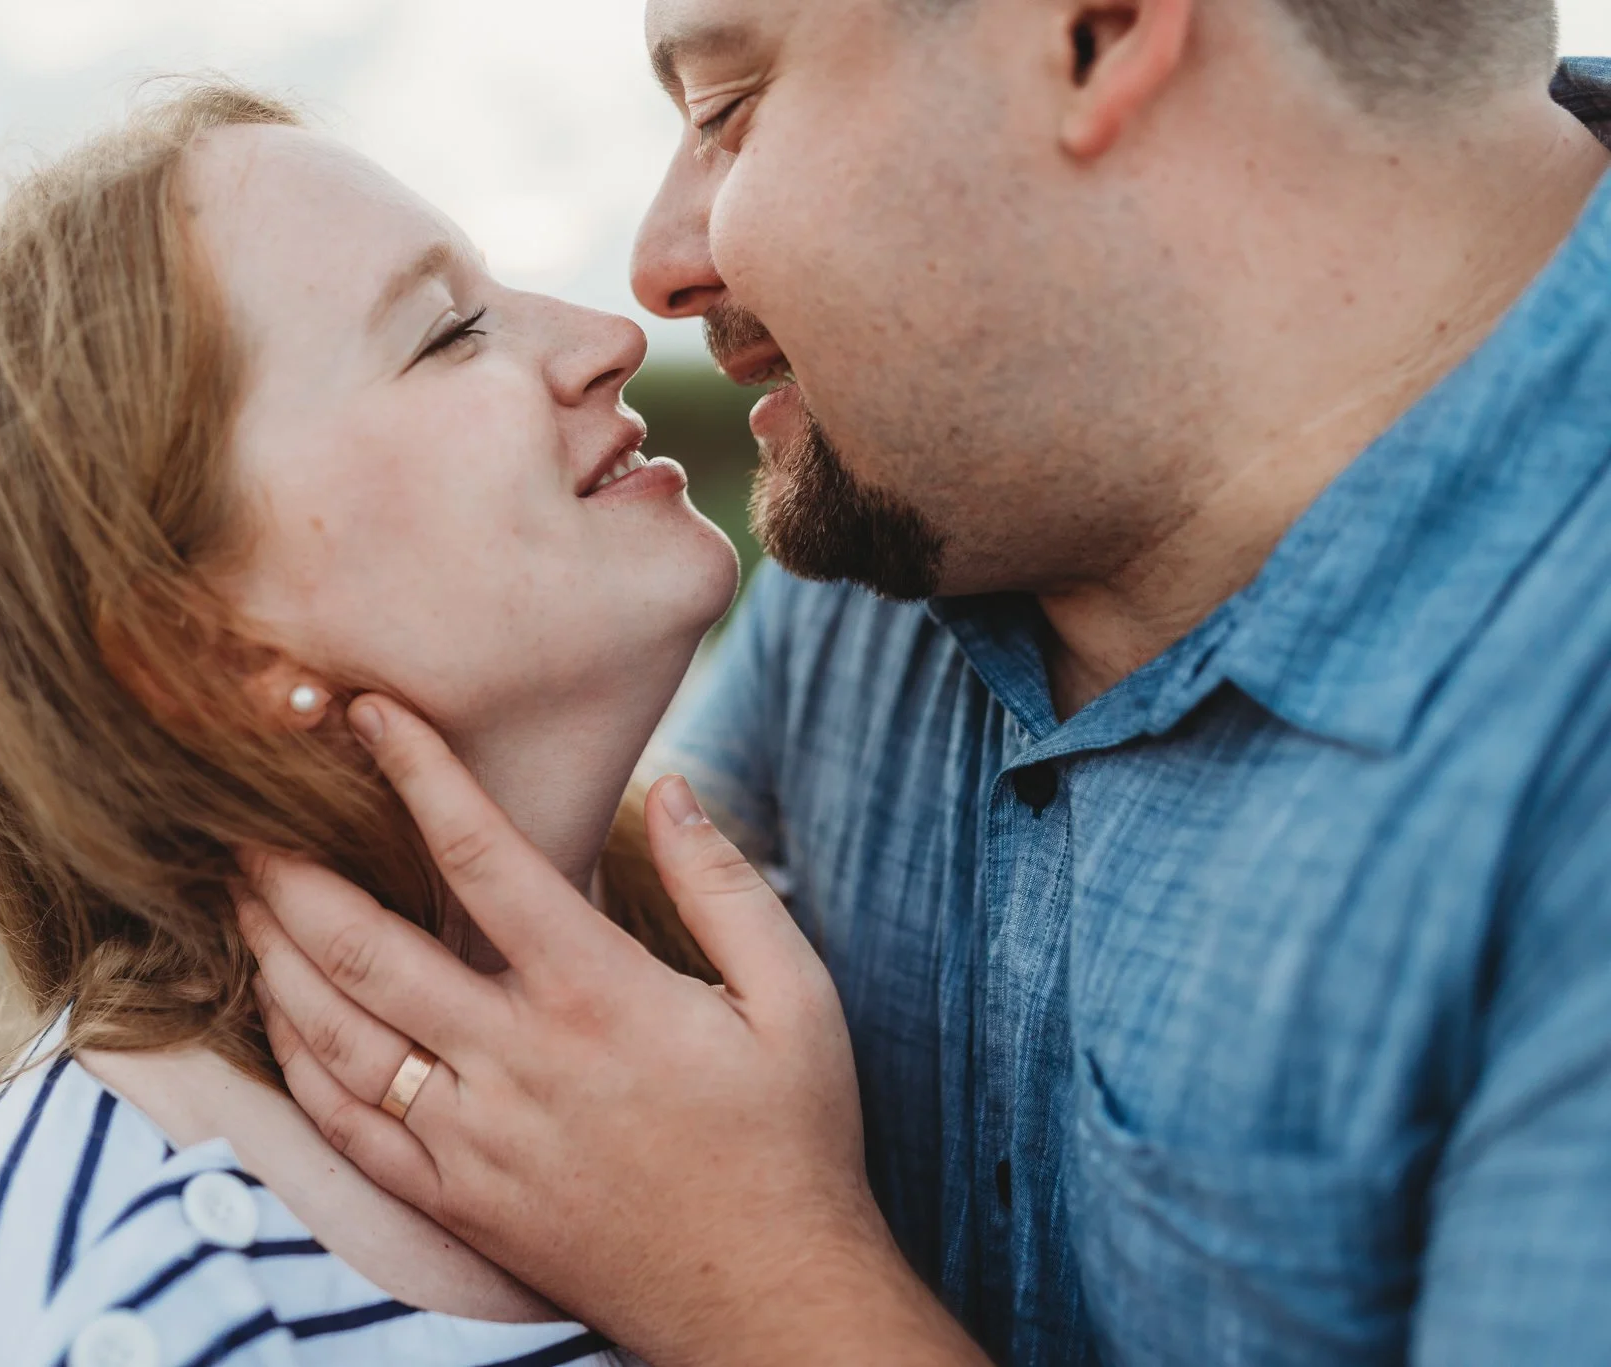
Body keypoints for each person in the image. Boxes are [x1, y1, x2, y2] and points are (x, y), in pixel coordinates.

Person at [237, 0, 1611, 1364]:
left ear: (1101, 32)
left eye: (727, 109)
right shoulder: (925, 495)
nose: (656, 270)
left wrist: (754, 1278)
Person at [0, 81, 749, 1367]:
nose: (607, 334)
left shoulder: (747, 991)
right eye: (450, 331)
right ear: (205, 649)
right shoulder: (117, 1316)